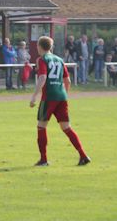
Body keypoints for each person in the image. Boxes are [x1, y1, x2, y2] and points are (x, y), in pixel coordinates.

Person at [30, 36, 90, 167]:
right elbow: (67, 81)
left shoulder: (42, 59)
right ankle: (83, 155)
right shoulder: (60, 60)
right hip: (62, 96)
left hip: (49, 97)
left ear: (39, 47)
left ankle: (44, 159)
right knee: (66, 127)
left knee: (41, 126)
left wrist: (34, 96)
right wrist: (64, 95)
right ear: (51, 47)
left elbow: (42, 77)